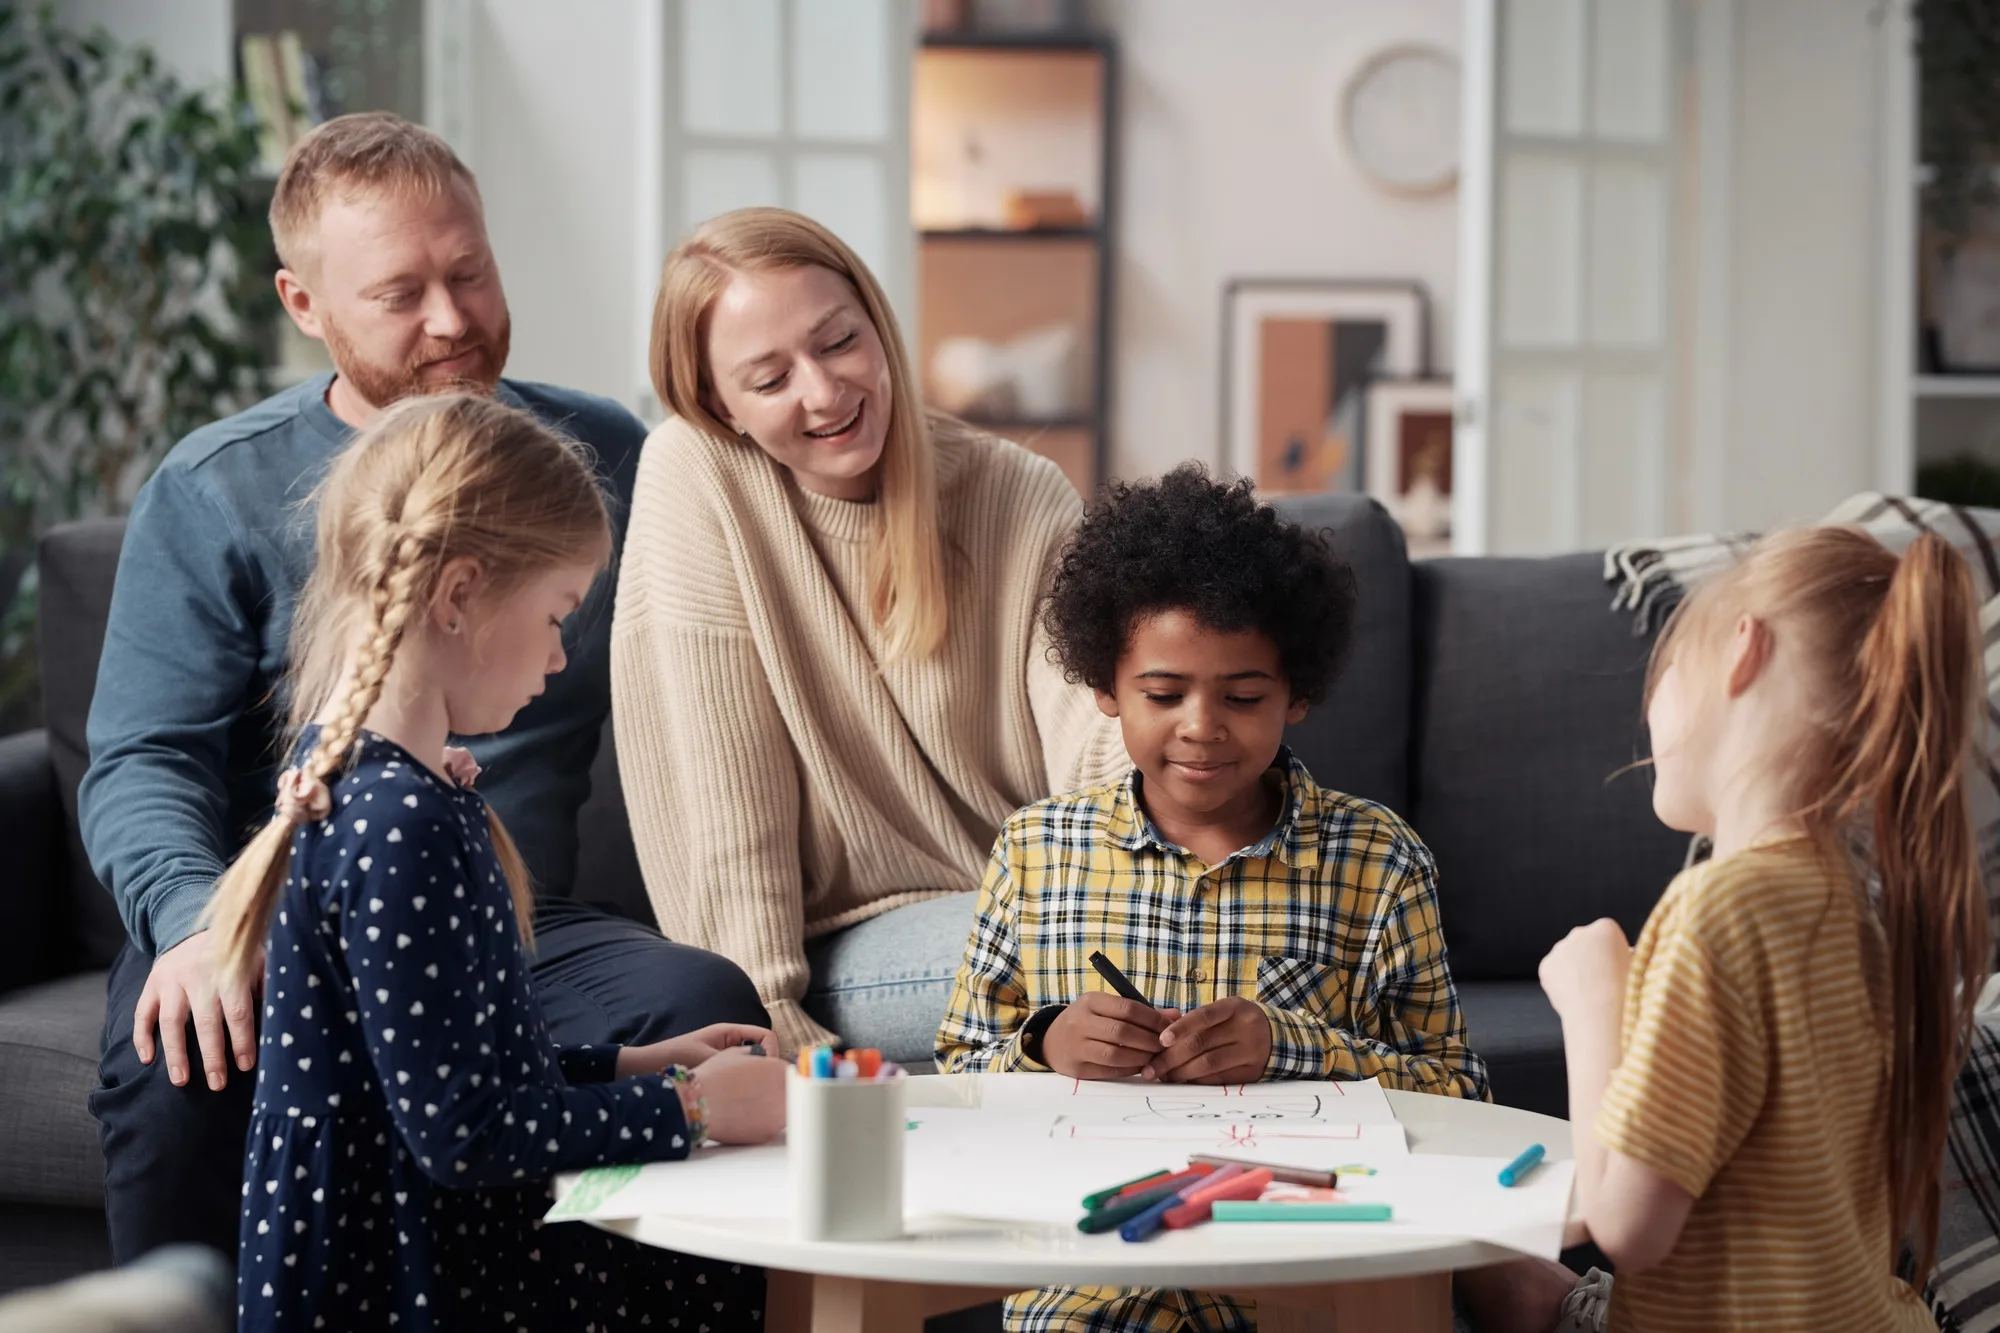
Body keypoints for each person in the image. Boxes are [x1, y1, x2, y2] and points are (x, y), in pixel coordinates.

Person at [80, 111, 766, 1270]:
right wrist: (203, 927)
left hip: (526, 928)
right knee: (178, 1051)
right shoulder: (214, 491)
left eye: (470, 272)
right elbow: (144, 760)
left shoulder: (600, 455)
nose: (451, 321)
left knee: (702, 1001)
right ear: (304, 305)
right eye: (401, 293)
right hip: (291, 919)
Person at [205, 393, 783, 1330]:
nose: (561, 655)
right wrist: (689, 1111)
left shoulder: (386, 783)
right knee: (707, 1264)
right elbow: (462, 1131)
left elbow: (457, 1063)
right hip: (406, 1275)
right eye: (558, 613)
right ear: (461, 593)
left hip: (425, 1240)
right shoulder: (399, 822)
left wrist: (634, 1063)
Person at [934, 465, 1508, 1332]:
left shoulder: (1381, 863)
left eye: (1243, 697)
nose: (1202, 725)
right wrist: (1044, 1041)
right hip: (1088, 1286)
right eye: (1163, 694)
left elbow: (1461, 1100)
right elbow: (954, 1080)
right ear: (1103, 687)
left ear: (1298, 694)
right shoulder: (1034, 851)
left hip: (1307, 1278)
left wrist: (1290, 1047)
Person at [614, 206, 1125, 1059]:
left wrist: (1188, 864)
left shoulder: (1019, 492)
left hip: (1026, 902)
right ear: (719, 405)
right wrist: (768, 1020)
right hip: (840, 945)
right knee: (1085, 966)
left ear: (877, 324)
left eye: (838, 341)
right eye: (770, 379)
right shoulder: (694, 472)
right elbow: (725, 793)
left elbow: (1095, 739)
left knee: (1234, 943)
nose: (823, 391)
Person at [1540, 526, 1987, 1330]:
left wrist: (1592, 998)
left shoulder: (1713, 911)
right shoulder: (1856, 904)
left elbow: (1626, 1228)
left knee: (1477, 1273)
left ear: (1742, 651)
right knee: (1511, 1281)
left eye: (1664, 673)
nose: (1648, 711)